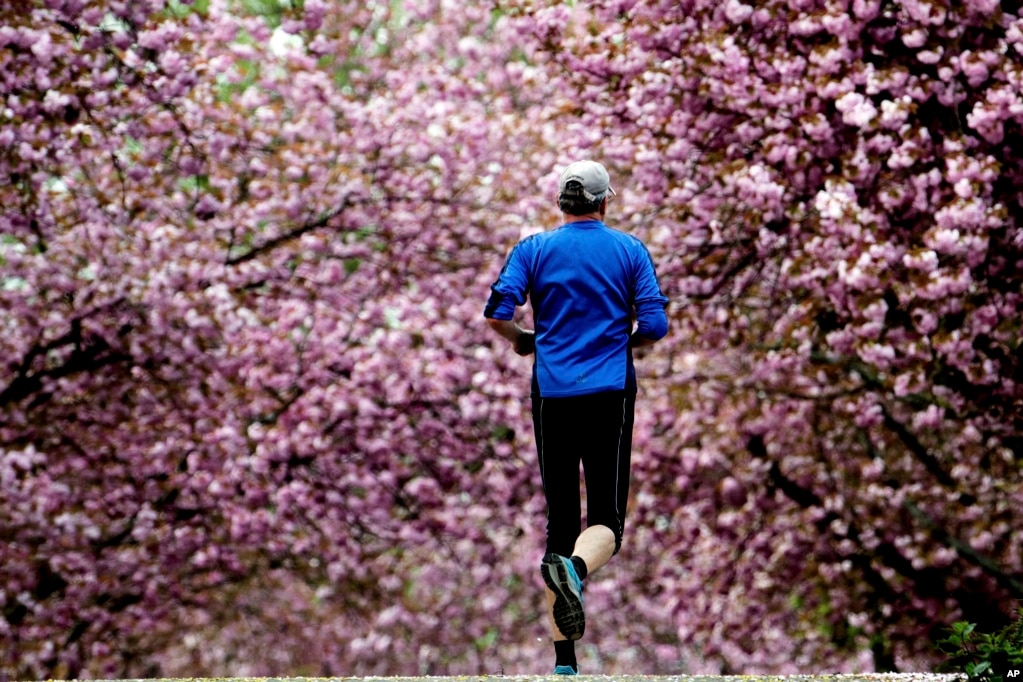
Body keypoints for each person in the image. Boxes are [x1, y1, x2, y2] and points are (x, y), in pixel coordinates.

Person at [483, 160, 669, 675]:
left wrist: (524, 341)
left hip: (552, 394)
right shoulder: (629, 251)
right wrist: (625, 343)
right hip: (610, 391)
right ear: (605, 201)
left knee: (560, 523)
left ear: (560, 203)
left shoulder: (534, 250)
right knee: (606, 520)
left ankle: (564, 663)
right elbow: (653, 324)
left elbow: (497, 312)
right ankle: (577, 569)